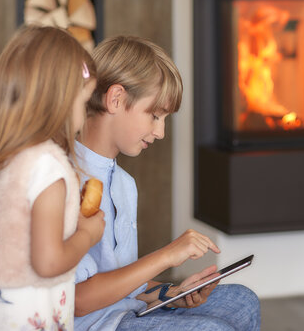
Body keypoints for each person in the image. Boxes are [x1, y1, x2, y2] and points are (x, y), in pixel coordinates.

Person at [73, 35, 261, 331]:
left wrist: (173, 294)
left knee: (243, 300)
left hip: (127, 312)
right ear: (116, 99)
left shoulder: (123, 184)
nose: (160, 132)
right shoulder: (68, 179)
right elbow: (78, 300)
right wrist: (167, 255)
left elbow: (123, 281)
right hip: (95, 325)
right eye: (155, 116)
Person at [0, 25, 106, 331]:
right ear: (57, 101)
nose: (84, 116)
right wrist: (87, 234)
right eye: (83, 103)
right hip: (30, 316)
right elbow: (48, 262)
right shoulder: (47, 169)